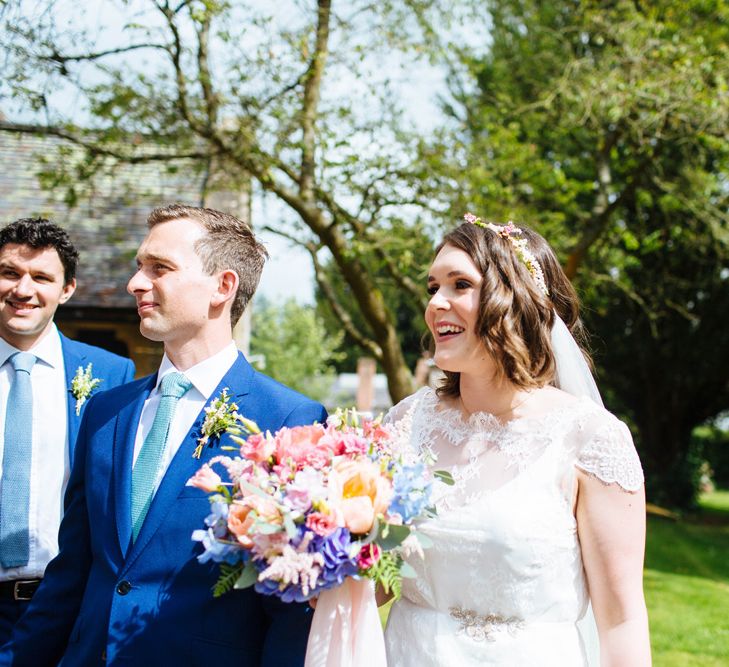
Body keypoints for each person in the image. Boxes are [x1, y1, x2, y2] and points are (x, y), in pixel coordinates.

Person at [0, 204, 327, 666]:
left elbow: (289, 606)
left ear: (223, 286)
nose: (135, 283)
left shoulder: (288, 420)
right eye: (139, 267)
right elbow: (72, 573)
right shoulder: (105, 412)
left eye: (160, 269)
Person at [383, 214, 650, 666]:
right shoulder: (406, 423)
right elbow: (374, 581)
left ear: (514, 300)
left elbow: (621, 620)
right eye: (433, 288)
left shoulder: (592, 439)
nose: (436, 304)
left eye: (459, 285)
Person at [0, 218, 135, 645]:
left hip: (68, 608)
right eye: (9, 273)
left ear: (67, 289)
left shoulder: (112, 376)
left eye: (41, 277)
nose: (23, 290)